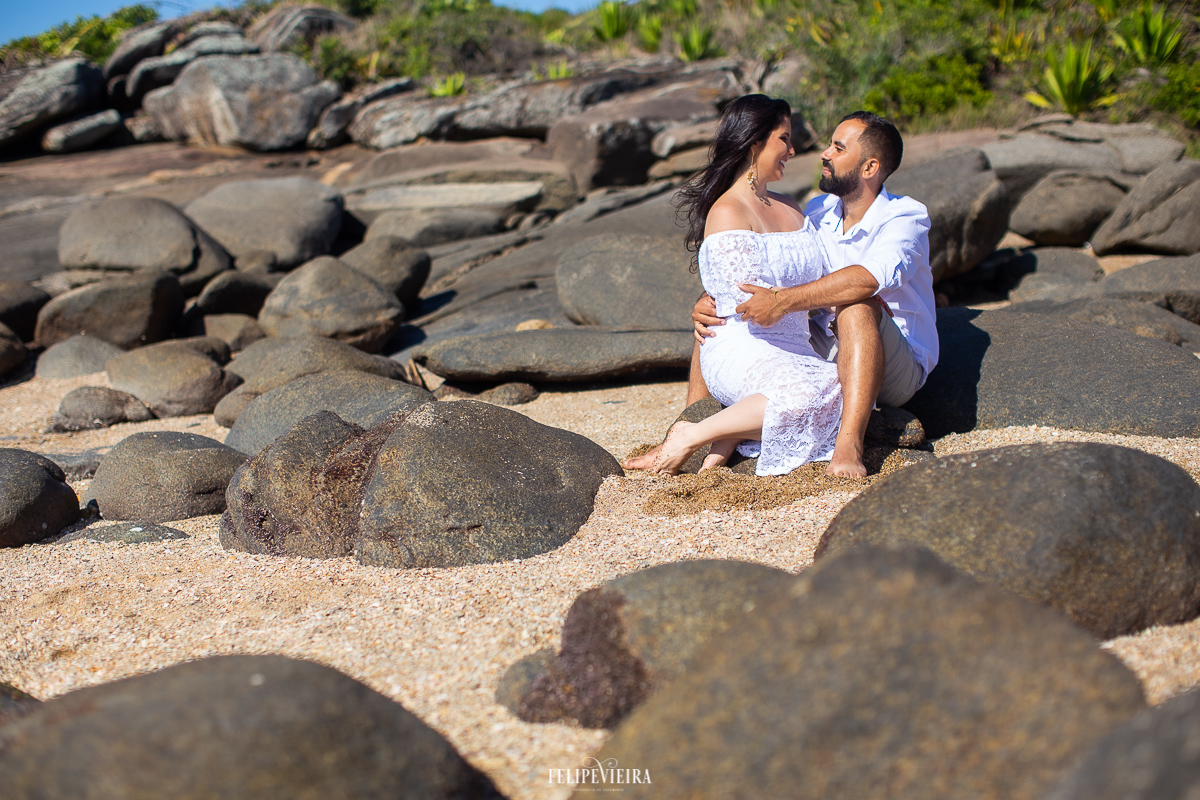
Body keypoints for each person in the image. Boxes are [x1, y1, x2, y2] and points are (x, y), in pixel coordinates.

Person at [628, 110, 937, 478]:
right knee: (714, 320)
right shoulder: (817, 211)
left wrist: (782, 301)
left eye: (837, 148)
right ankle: (692, 423)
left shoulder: (906, 217)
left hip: (891, 358)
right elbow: (771, 267)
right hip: (823, 342)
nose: (823, 153)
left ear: (869, 168)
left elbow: (867, 278)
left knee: (856, 304)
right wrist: (713, 297)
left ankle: (849, 444)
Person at [645, 94, 844, 476]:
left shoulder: (794, 208)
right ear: (755, 142)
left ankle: (727, 435)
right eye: (784, 138)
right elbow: (749, 305)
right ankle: (692, 433)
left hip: (796, 348)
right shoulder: (727, 211)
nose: (792, 148)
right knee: (805, 395)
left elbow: (807, 287)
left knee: (849, 387)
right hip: (744, 347)